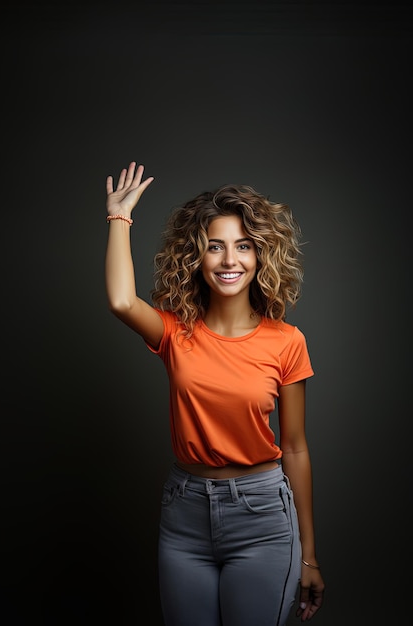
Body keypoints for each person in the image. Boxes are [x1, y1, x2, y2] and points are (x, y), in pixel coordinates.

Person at [104, 161, 325, 625]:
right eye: (215, 247)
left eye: (243, 247)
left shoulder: (286, 341)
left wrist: (309, 554)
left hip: (262, 516)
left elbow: (295, 447)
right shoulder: (174, 333)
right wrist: (119, 217)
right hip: (184, 514)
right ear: (195, 257)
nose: (230, 261)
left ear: (260, 255)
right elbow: (122, 302)